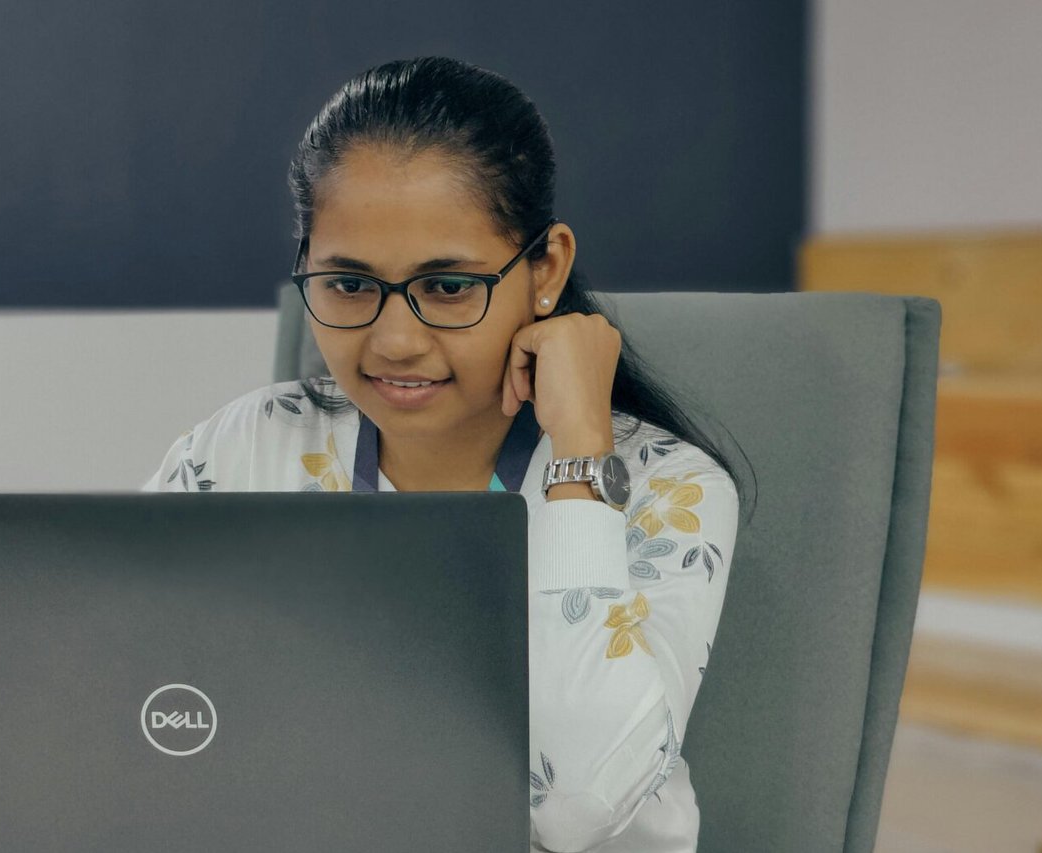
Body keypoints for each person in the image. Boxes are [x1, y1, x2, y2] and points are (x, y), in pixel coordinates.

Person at [141, 55, 752, 853]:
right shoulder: (242, 449)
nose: (395, 339)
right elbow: (135, 706)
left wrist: (577, 455)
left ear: (547, 271)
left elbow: (576, 806)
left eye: (450, 286)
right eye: (349, 285)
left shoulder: (668, 490)